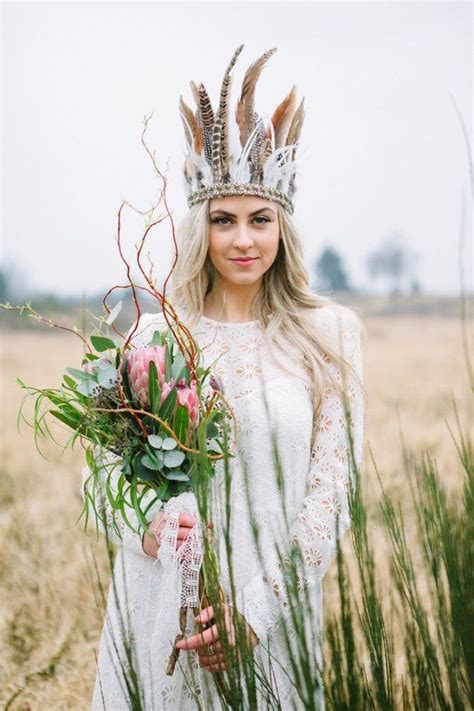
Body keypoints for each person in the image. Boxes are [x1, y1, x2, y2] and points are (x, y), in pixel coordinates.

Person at [82, 45, 366, 710]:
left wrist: (256, 613)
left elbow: (330, 499)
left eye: (260, 218)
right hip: (158, 612)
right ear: (198, 226)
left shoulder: (331, 335)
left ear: (282, 226)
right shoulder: (155, 336)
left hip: (269, 623)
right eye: (223, 219)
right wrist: (151, 532)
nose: (243, 238)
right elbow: (99, 481)